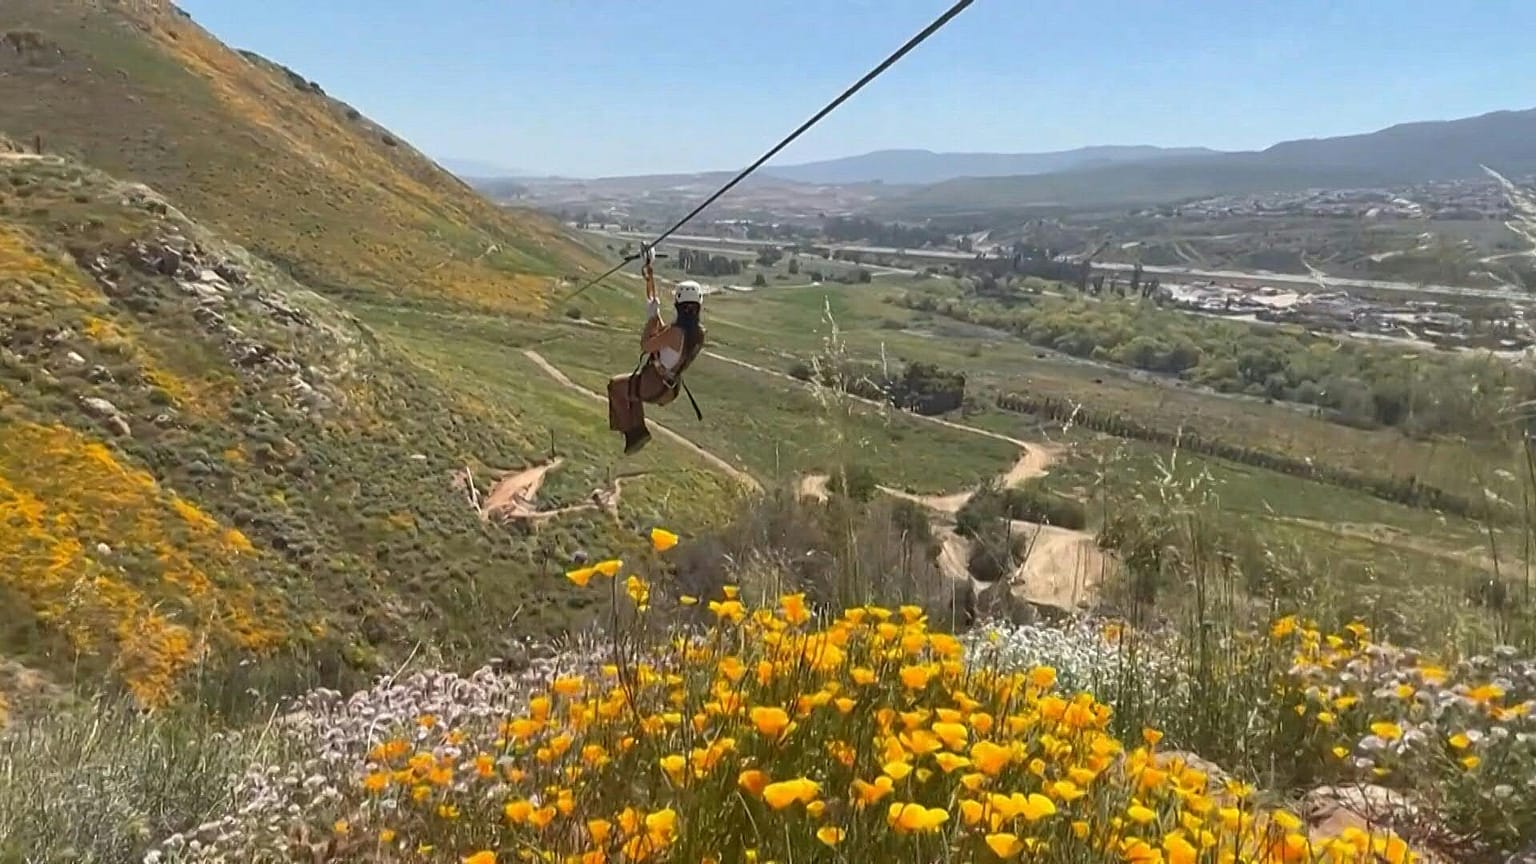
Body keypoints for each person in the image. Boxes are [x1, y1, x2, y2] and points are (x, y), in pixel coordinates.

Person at [606, 277, 706, 454]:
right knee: (632, 387)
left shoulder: (677, 332)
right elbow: (666, 337)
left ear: (678, 305)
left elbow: (646, 345)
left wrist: (651, 321)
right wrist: (655, 313)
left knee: (615, 386)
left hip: (655, 385)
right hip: (671, 388)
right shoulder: (698, 333)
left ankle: (632, 432)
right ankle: (637, 431)